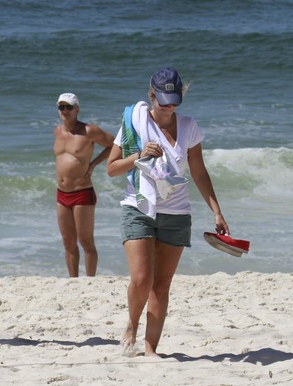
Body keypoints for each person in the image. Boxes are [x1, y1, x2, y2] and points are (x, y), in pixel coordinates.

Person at [106, 68, 230, 357]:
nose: (169, 107)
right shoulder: (133, 125)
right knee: (141, 280)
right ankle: (132, 325)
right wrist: (138, 156)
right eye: (164, 101)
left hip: (177, 213)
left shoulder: (189, 127)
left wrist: (217, 211)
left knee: (161, 286)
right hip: (139, 207)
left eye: (174, 101)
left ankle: (150, 351)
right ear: (152, 95)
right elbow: (112, 169)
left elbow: (199, 171)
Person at [54, 93, 114, 277]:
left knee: (86, 241)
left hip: (82, 192)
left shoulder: (89, 131)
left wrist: (94, 164)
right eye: (61, 107)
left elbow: (114, 145)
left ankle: (90, 280)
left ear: (77, 109)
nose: (65, 110)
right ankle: (73, 281)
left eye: (69, 107)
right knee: (68, 242)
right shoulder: (57, 131)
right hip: (61, 193)